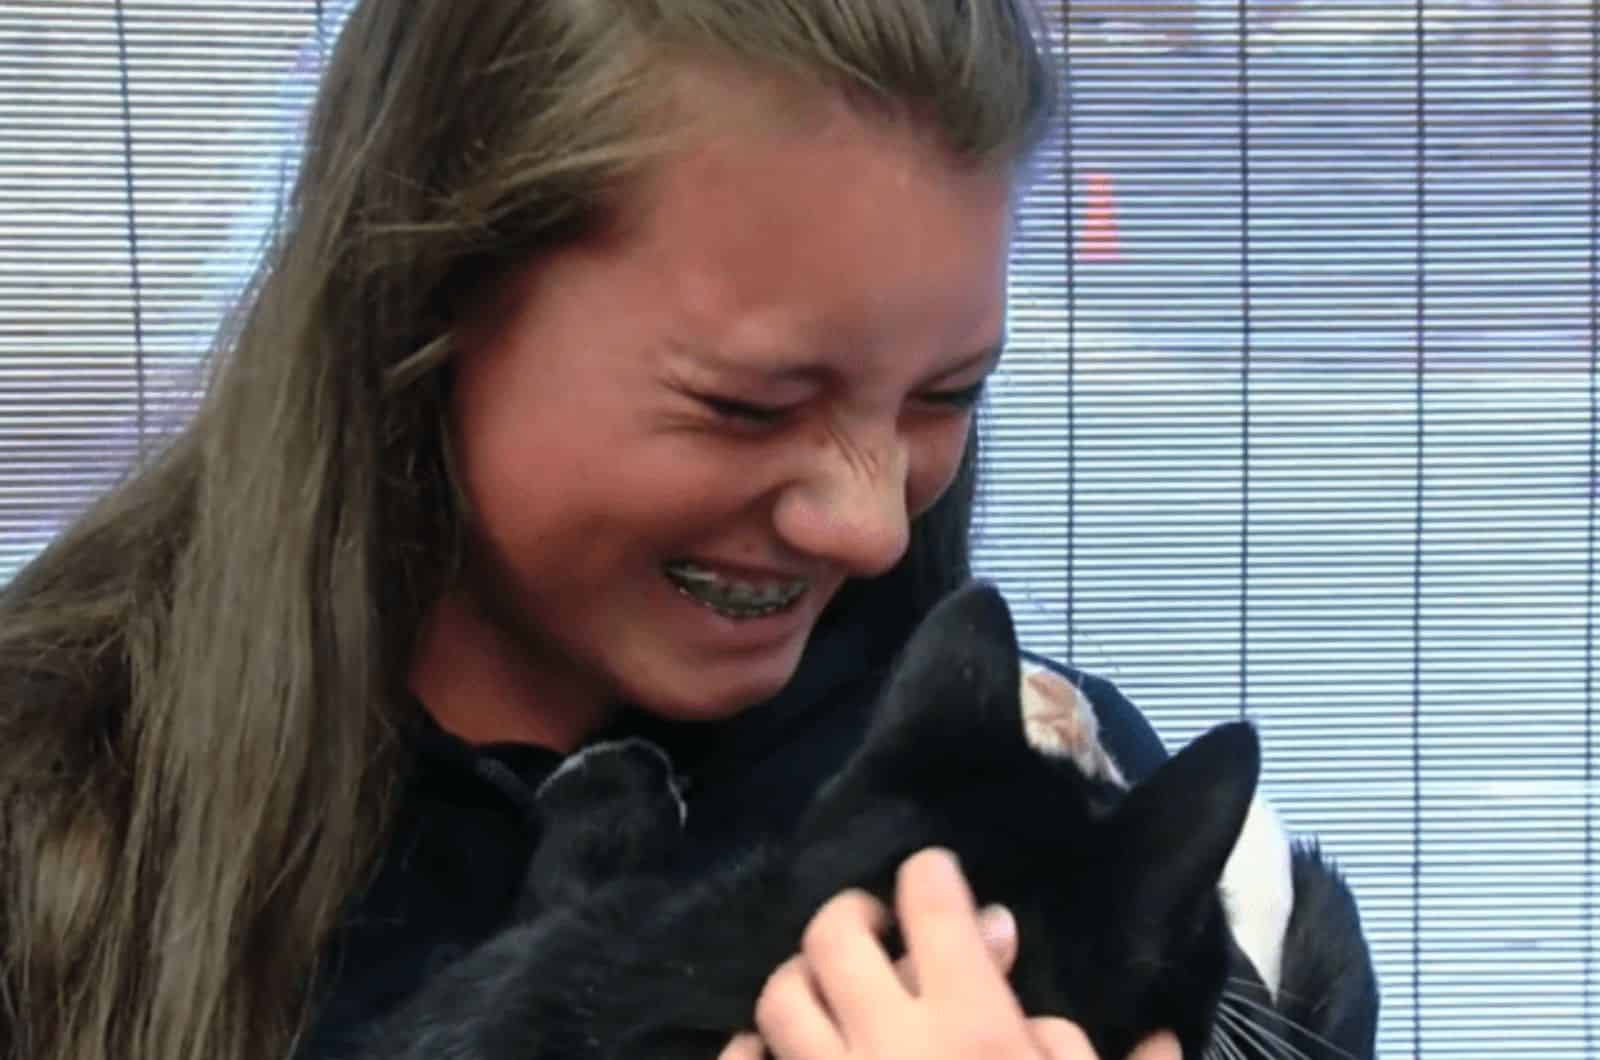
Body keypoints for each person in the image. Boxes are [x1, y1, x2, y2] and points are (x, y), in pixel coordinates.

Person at [0, 3, 1181, 1060]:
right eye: (748, 405)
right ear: (427, 298)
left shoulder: (1064, 806)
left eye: (947, 394)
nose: (871, 530)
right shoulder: (51, 817)